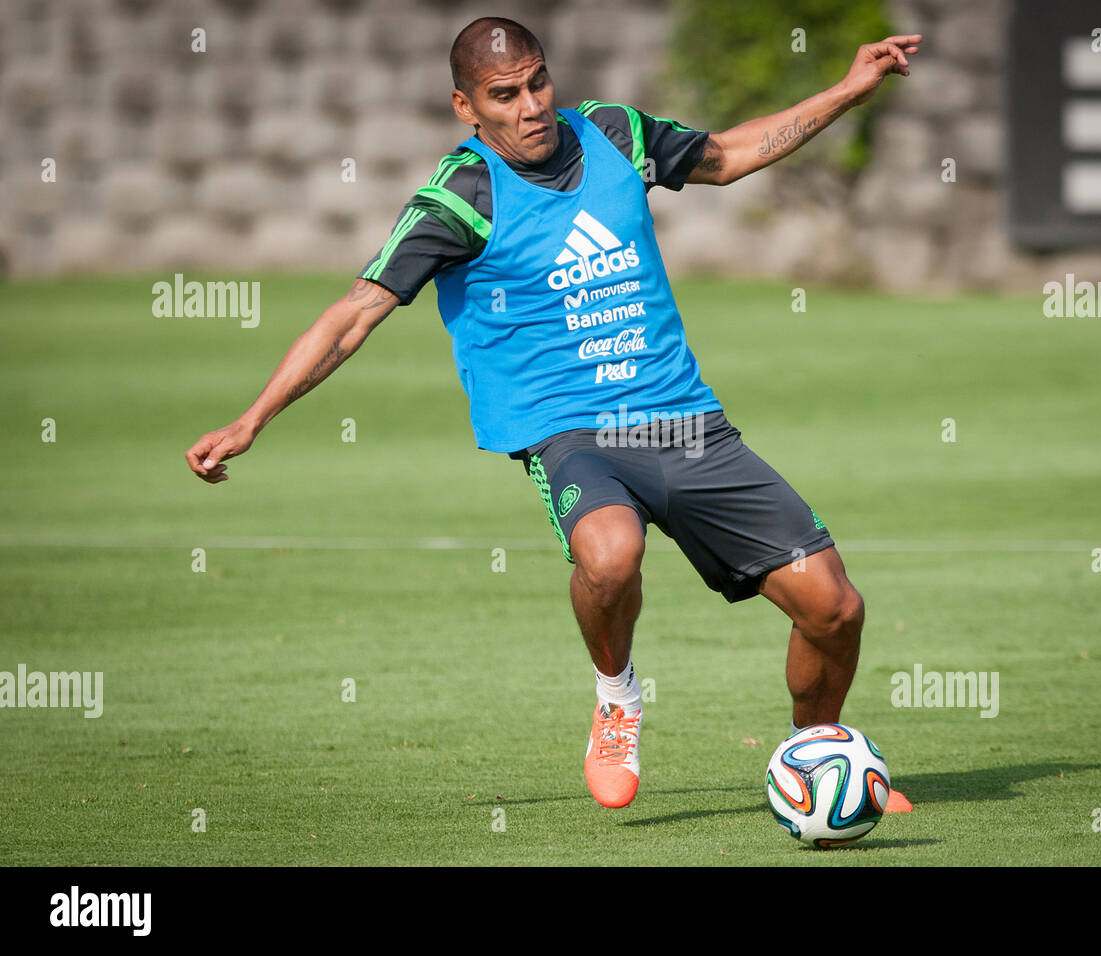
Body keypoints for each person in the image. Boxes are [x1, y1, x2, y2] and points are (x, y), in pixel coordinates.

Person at [186, 17, 922, 809]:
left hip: (681, 418)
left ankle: (817, 758)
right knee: (610, 553)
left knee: (833, 608)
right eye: (505, 94)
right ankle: (617, 697)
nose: (532, 104)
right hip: (568, 431)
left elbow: (730, 155)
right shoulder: (460, 199)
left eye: (538, 81)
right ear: (467, 107)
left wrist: (849, 90)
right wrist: (253, 418)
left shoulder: (614, 133)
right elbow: (356, 312)